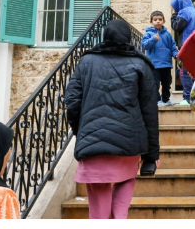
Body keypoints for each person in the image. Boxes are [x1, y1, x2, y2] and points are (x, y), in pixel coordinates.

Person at [64, 20, 160, 219]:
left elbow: (72, 100)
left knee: (99, 211)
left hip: (94, 142)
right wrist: (151, 153)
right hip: (130, 142)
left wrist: (81, 130)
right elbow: (149, 111)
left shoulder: (87, 61)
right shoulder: (141, 64)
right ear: (128, 38)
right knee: (124, 192)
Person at [170, 0, 195, 105]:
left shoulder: (184, 12)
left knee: (184, 71)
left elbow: (176, 26)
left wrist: (174, 15)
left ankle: (188, 98)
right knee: (193, 72)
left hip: (187, 46)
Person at [141, 10, 179, 107]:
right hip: (154, 65)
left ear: (164, 21)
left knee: (167, 84)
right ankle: (157, 101)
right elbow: (144, 45)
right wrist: (153, 39)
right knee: (155, 84)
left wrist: (176, 55)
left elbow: (173, 47)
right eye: (155, 20)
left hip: (166, 64)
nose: (158, 21)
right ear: (151, 22)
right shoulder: (148, 34)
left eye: (160, 19)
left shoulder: (168, 35)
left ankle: (166, 100)